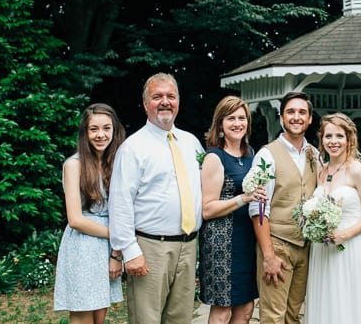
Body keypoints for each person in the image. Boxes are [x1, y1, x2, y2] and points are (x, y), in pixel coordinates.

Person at [109, 73, 204, 324]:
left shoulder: (192, 143)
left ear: (178, 102)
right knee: (146, 319)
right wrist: (129, 251)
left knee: (180, 318)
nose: (165, 102)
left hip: (188, 246)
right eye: (157, 96)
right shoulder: (132, 148)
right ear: (145, 104)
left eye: (170, 96)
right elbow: (120, 203)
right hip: (150, 248)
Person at [304, 113, 361, 324]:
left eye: (339, 136)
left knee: (351, 306)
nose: (333, 141)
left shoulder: (356, 170)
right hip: (323, 251)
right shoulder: (321, 171)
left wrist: (345, 234)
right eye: (328, 136)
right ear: (321, 139)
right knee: (327, 305)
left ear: (349, 139)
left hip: (352, 247)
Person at [249, 91, 318, 324]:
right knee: (273, 317)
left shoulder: (314, 155)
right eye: (290, 112)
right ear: (281, 118)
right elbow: (258, 210)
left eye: (302, 112)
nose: (296, 117)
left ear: (310, 119)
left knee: (293, 315)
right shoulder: (266, 154)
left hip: (305, 247)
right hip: (277, 245)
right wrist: (268, 255)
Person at [54, 103, 125, 324]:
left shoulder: (115, 164)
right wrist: (118, 236)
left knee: (99, 317)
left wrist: (117, 252)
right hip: (84, 246)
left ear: (115, 130)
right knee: (83, 316)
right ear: (85, 132)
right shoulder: (74, 165)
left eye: (106, 128)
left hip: (108, 247)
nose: (101, 135)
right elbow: (75, 219)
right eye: (94, 129)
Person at [199, 96, 267, 324]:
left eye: (242, 118)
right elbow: (207, 209)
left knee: (247, 307)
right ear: (220, 125)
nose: (237, 123)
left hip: (247, 239)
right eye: (231, 119)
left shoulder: (251, 154)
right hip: (221, 243)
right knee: (222, 310)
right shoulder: (214, 157)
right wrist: (243, 198)